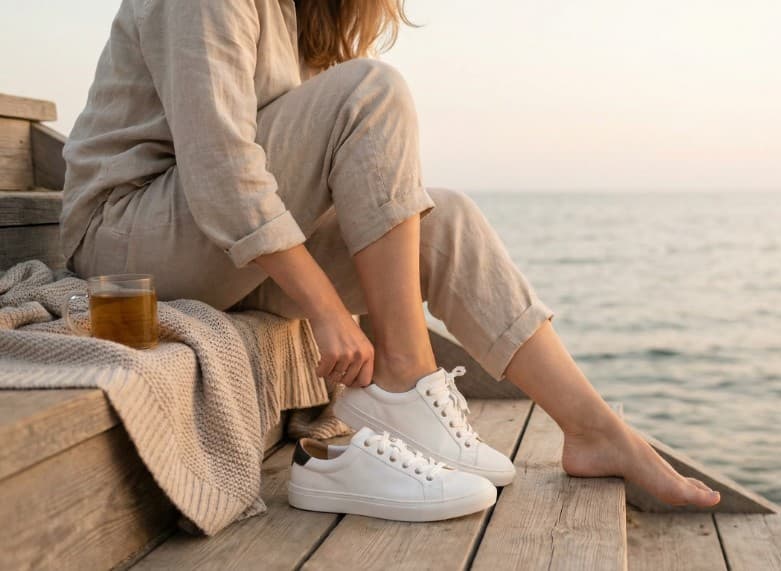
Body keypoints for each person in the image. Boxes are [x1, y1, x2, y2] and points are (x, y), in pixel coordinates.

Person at [61, 0, 720, 521]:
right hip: (127, 241)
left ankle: (595, 430)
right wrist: (326, 308)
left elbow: (318, 182)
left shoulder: (294, 14)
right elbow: (218, 169)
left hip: (211, 248)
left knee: (444, 218)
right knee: (372, 89)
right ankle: (404, 380)